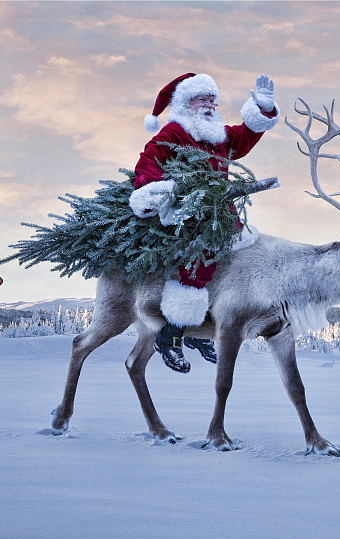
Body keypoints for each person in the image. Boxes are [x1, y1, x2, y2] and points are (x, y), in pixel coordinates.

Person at [130, 73, 279, 373]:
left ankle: (198, 332)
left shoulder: (217, 135)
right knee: (201, 265)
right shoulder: (175, 133)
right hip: (190, 217)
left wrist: (262, 110)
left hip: (222, 217)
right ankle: (170, 335)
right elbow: (149, 161)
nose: (210, 105)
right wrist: (154, 192)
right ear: (187, 103)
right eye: (203, 100)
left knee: (234, 268)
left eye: (213, 101)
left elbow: (243, 137)